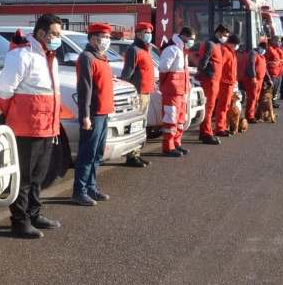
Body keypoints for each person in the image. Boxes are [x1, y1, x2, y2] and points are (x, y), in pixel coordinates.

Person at [0, 14, 62, 238]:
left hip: (46, 128)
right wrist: (11, 116)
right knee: (23, 178)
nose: (57, 38)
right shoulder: (22, 56)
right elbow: (4, 90)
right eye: (55, 34)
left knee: (38, 177)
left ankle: (34, 214)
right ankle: (19, 220)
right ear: (41, 33)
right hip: (26, 128)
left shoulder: (49, 57)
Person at [72, 22, 115, 206]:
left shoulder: (102, 58)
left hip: (104, 113)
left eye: (107, 37)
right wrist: (85, 115)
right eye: (101, 37)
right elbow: (85, 89)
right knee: (87, 154)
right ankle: (79, 191)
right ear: (91, 38)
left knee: (97, 154)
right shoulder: (87, 57)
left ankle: (91, 186)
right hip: (93, 114)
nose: (105, 41)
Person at [120, 22, 155, 168]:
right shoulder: (134, 50)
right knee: (135, 125)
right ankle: (132, 156)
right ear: (139, 34)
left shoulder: (146, 50)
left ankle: (137, 153)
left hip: (145, 92)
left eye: (149, 32)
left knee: (141, 125)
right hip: (138, 93)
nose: (148, 35)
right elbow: (127, 72)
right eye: (146, 32)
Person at [159, 27, 195, 157]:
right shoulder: (172, 49)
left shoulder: (181, 50)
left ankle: (176, 143)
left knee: (180, 120)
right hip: (172, 91)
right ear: (184, 36)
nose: (192, 42)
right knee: (170, 119)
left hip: (181, 91)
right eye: (191, 39)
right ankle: (168, 147)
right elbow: (163, 67)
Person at [197, 24, 229, 144]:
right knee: (208, 108)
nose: (225, 37)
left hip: (215, 81)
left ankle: (204, 132)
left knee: (210, 107)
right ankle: (206, 133)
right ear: (219, 34)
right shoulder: (210, 44)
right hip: (210, 81)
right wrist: (208, 74)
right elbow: (202, 63)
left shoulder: (217, 45)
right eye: (224, 35)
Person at [214, 34, 240, 137]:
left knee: (226, 106)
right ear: (232, 43)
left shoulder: (231, 51)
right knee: (223, 106)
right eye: (236, 44)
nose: (237, 46)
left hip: (229, 82)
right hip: (224, 82)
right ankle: (220, 128)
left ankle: (223, 126)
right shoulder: (225, 51)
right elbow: (220, 66)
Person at [243, 41, 268, 123]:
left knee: (256, 98)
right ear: (260, 47)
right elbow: (251, 65)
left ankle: (253, 114)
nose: (264, 50)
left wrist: (269, 78)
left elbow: (265, 68)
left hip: (260, 80)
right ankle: (249, 116)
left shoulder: (262, 56)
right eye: (263, 48)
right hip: (252, 80)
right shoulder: (253, 53)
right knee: (252, 97)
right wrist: (253, 77)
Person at [265, 36, 283, 108]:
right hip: (272, 72)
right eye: (278, 41)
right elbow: (266, 62)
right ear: (273, 41)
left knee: (276, 89)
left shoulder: (277, 50)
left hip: (278, 72)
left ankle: (273, 102)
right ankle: (269, 103)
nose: (279, 43)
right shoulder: (269, 49)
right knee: (271, 89)